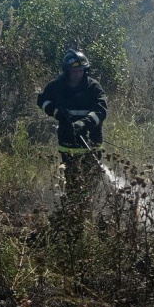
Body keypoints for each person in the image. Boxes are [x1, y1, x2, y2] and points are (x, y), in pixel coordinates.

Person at [37, 49, 108, 203]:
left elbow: (101, 110)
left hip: (92, 140)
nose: (77, 74)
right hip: (67, 140)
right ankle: (74, 207)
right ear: (67, 71)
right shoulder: (56, 86)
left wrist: (83, 123)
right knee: (73, 178)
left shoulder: (93, 87)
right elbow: (42, 101)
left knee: (92, 178)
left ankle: (88, 206)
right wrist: (56, 112)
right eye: (74, 71)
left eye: (81, 71)